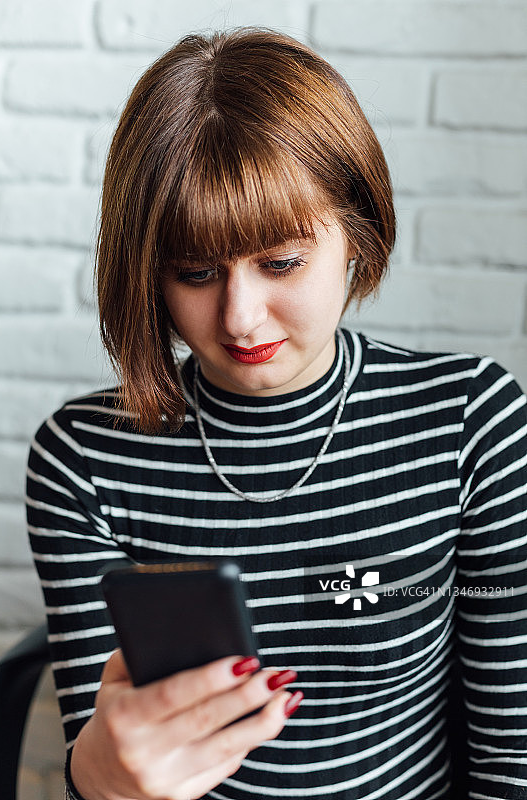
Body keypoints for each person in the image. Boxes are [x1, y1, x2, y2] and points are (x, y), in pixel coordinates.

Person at [26, 27, 527, 800]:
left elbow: (510, 755)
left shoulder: (470, 421)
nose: (240, 319)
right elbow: (102, 751)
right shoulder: (85, 460)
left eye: (280, 262)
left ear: (355, 236)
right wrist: (96, 775)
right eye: (194, 272)